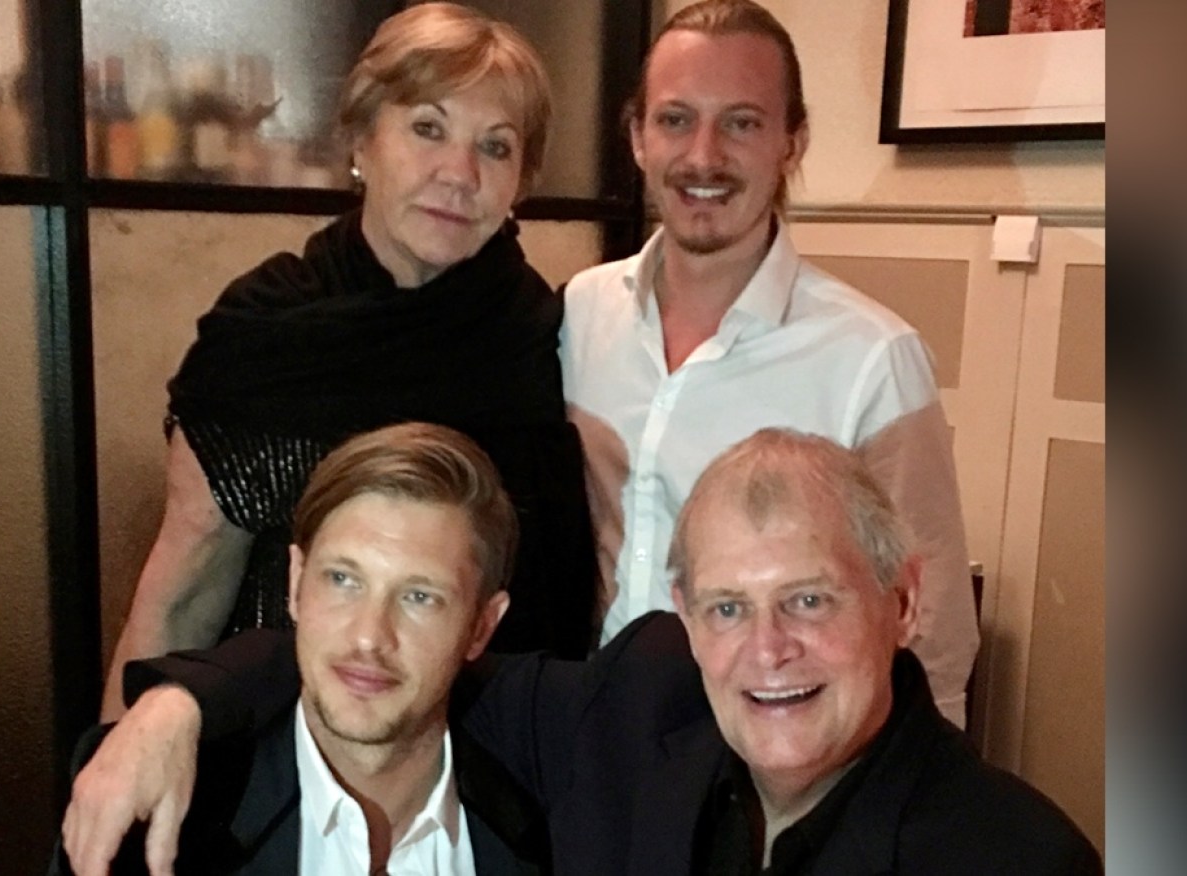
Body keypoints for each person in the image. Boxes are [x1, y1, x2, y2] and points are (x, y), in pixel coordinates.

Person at [62, 428, 1101, 875]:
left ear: (903, 601)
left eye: (809, 599)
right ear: (683, 617)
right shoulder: (643, 713)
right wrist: (177, 707)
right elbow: (377, 670)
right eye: (728, 608)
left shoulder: (1015, 859)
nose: (766, 650)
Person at [102, 2, 598, 718]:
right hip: (275, 735)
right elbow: (184, 588)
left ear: (521, 180)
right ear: (362, 139)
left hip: (492, 750)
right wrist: (113, 767)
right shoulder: (267, 331)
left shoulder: (544, 335)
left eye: (495, 147)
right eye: (428, 128)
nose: (459, 172)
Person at [561, 0, 979, 724]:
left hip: (765, 764)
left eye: (742, 122)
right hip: (591, 749)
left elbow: (933, 631)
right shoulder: (579, 314)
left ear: (792, 141)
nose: (702, 156)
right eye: (675, 119)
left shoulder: (871, 358)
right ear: (636, 137)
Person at [58, 422, 551, 875]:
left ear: (483, 626)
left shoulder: (555, 817)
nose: (369, 636)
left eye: (420, 597)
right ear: (295, 583)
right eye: (342, 579)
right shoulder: (162, 805)